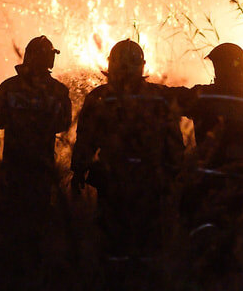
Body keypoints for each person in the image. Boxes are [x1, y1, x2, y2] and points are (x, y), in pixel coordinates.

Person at [71, 39, 185, 287]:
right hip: (151, 183)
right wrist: (174, 176)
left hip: (113, 183)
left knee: (113, 244)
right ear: (141, 66)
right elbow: (174, 143)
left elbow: (86, 141)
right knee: (149, 243)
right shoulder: (159, 97)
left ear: (111, 65)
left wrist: (78, 172)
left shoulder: (100, 97)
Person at [179, 43, 243, 283]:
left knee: (197, 228)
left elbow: (173, 100)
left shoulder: (206, 97)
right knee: (232, 236)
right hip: (239, 183)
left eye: (218, 66)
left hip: (207, 179)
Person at [0, 35, 72, 216]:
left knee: (11, 212)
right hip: (42, 164)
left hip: (13, 162)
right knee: (38, 212)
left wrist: (13, 119)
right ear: (50, 59)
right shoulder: (58, 90)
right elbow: (65, 122)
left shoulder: (10, 86)